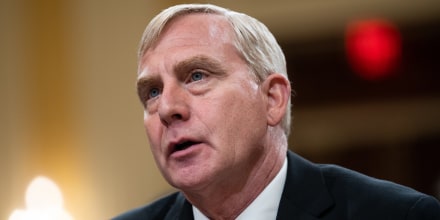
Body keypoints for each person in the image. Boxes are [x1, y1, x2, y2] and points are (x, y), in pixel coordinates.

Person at [113, 3, 440, 220]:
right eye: (152, 92)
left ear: (272, 99)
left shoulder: (397, 215)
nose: (168, 108)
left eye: (197, 76)